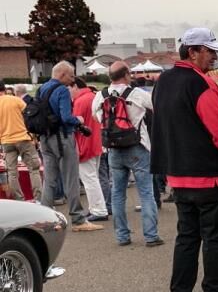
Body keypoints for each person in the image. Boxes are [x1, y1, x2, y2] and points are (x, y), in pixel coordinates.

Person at [151, 28, 218, 292]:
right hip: (208, 174)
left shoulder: (163, 81)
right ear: (192, 52)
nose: (215, 56)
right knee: (214, 240)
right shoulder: (201, 83)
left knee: (186, 239)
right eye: (210, 51)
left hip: (177, 174)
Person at [93, 60, 161, 246]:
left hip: (113, 148)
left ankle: (122, 236)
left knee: (117, 193)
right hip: (137, 146)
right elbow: (157, 107)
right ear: (126, 74)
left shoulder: (100, 96)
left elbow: (96, 116)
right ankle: (151, 235)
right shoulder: (137, 94)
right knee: (146, 193)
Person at [34, 63, 99, 230]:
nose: (72, 80)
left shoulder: (42, 88)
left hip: (45, 138)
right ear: (62, 74)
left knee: (49, 179)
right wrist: (79, 120)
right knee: (71, 178)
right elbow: (66, 117)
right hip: (62, 138)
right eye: (71, 76)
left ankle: (44, 217)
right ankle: (78, 219)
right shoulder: (62, 90)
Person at [71, 78, 108, 222]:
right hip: (96, 143)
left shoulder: (80, 102)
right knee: (94, 178)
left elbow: (75, 125)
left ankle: (98, 210)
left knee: (89, 179)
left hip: (85, 145)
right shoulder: (92, 97)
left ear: (75, 87)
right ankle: (97, 208)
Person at [0, 82, 41, 201]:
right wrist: (33, 135)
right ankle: (38, 199)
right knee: (33, 169)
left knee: (12, 173)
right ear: (4, 89)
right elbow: (29, 115)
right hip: (23, 138)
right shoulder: (15, 100)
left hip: (6, 141)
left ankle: (19, 200)